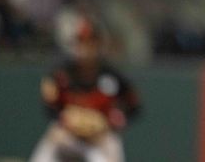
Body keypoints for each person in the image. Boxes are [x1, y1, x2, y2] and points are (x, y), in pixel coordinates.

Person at [30, 19, 140, 162]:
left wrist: (111, 123)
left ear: (98, 45)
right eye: (81, 42)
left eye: (90, 43)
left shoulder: (112, 76)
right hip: (68, 136)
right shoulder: (61, 74)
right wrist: (64, 121)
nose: (85, 48)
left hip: (100, 138)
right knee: (50, 141)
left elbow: (134, 105)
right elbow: (50, 107)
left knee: (111, 148)